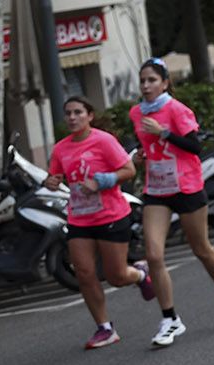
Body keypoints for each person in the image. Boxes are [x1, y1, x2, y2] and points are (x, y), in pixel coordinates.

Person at [130, 57, 214, 347]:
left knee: (201, 248)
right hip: (156, 189)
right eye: (142, 80)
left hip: (187, 186)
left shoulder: (177, 110)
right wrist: (140, 155)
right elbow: (146, 147)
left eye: (152, 80)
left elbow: (195, 146)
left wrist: (164, 133)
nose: (146, 85)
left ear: (165, 83)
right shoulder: (136, 114)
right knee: (154, 255)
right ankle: (170, 319)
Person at [45, 96, 154, 349]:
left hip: (110, 215)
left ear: (89, 116)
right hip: (79, 217)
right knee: (83, 272)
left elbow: (129, 170)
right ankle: (105, 328)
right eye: (68, 113)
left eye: (78, 112)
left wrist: (100, 182)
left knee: (115, 276)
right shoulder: (61, 148)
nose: (72, 117)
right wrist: (50, 182)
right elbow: (56, 176)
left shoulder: (103, 141)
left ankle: (139, 274)